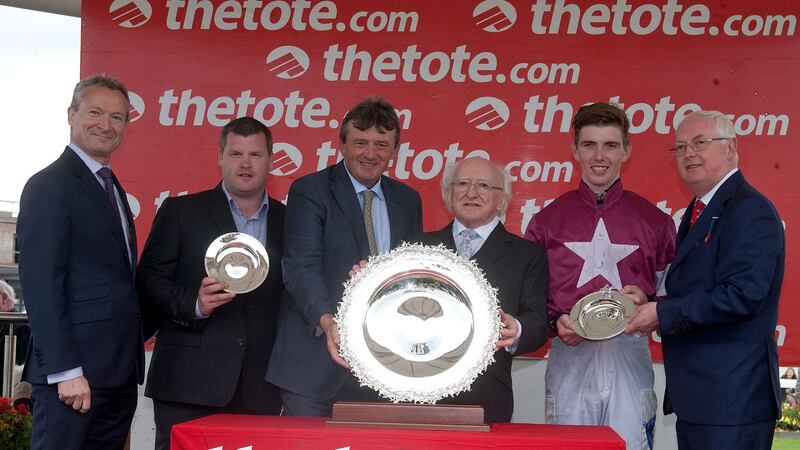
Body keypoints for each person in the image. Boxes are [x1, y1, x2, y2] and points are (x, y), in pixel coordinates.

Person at [626, 110, 785, 450]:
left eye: (700, 143)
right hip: (705, 400)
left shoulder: (749, 210)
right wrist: (653, 303)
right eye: (680, 147)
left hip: (732, 401)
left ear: (731, 147)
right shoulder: (701, 209)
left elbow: (741, 296)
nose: (688, 153)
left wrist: (662, 314)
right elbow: (701, 290)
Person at [524, 102, 675, 450]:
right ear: (575, 149)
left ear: (627, 150)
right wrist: (556, 323)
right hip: (570, 357)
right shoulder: (546, 223)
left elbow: (673, 297)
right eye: (589, 145)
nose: (599, 156)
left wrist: (648, 306)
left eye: (610, 145)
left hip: (629, 354)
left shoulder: (655, 222)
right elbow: (529, 300)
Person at [266, 97, 423, 416]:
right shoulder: (310, 190)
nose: (370, 154)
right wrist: (329, 322)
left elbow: (412, 274)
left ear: (395, 151)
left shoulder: (408, 200)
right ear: (341, 144)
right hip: (314, 365)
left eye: (381, 145)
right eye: (360, 142)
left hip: (384, 369)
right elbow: (301, 266)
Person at [136, 117, 284, 449]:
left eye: (255, 154)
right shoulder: (181, 211)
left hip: (258, 390)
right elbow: (148, 282)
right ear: (220, 157)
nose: (245, 164)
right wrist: (194, 303)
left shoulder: (289, 220)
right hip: (187, 384)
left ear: (271, 160)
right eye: (235, 154)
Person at [16, 75, 145, 449]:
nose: (106, 125)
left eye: (117, 117)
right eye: (95, 112)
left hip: (115, 377)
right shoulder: (49, 185)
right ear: (71, 115)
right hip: (72, 379)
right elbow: (41, 284)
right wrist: (65, 371)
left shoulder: (110, 185)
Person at [410, 157, 549, 422]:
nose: (471, 193)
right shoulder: (417, 248)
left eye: (483, 185)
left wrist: (516, 330)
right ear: (448, 195)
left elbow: (538, 324)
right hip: (419, 396)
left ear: (501, 200)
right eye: (462, 183)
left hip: (487, 399)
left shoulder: (527, 255)